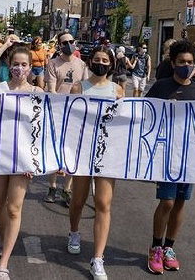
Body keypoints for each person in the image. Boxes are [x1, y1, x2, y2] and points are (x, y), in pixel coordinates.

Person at [145, 40, 195, 273]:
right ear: (173, 63)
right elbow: (145, 115)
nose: (186, 65)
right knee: (167, 202)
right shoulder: (161, 87)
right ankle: (156, 247)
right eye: (181, 62)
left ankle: (170, 247)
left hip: (189, 157)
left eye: (190, 62)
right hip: (167, 155)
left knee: (181, 202)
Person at [0, 45, 40, 280]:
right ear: (9, 66)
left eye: (24, 65)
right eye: (15, 64)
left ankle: (3, 264)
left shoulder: (37, 92)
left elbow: (41, 128)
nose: (19, 68)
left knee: (13, 208)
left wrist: (35, 161)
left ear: (30, 68)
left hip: (22, 159)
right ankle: (4, 235)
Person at [67, 46, 124, 280]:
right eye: (97, 59)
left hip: (107, 153)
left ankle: (98, 258)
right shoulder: (78, 88)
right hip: (82, 152)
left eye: (105, 60)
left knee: (103, 203)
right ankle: (73, 232)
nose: (101, 63)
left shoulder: (118, 90)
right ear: (90, 62)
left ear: (111, 65)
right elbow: (69, 122)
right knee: (79, 200)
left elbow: (123, 124)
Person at [44, 31, 89, 206]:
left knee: (72, 151)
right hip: (58, 111)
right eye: (65, 42)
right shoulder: (53, 63)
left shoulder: (82, 64)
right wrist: (59, 106)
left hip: (76, 114)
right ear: (60, 46)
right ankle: (53, 186)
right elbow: (51, 88)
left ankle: (67, 189)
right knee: (55, 150)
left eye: (71, 41)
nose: (68, 44)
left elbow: (86, 89)